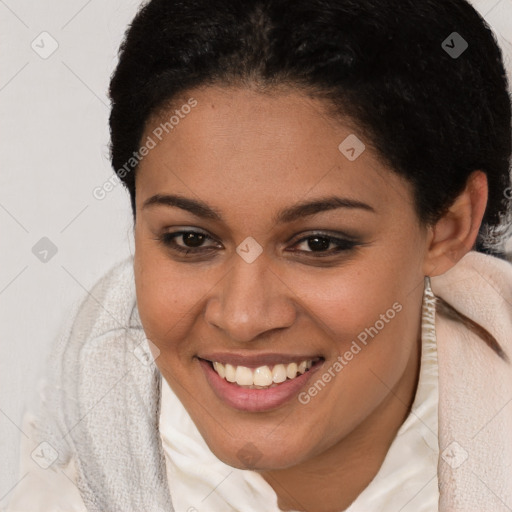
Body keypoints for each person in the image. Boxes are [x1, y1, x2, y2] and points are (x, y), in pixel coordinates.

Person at [6, 0, 512, 511]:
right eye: (191, 239)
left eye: (319, 243)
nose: (244, 318)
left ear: (448, 228)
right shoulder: (65, 444)